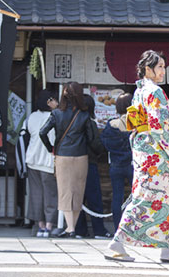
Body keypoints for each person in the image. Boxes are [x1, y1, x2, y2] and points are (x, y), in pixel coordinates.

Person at [106, 50, 169, 263]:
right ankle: (117, 243)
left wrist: (167, 134)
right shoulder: (156, 92)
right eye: (159, 66)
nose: (163, 71)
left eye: (163, 66)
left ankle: (167, 248)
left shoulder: (140, 91)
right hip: (154, 153)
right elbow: (159, 125)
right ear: (148, 69)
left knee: (158, 198)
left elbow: (148, 124)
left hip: (144, 148)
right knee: (147, 197)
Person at [39, 81, 94, 238]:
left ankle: (70, 228)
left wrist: (51, 149)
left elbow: (42, 132)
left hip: (62, 155)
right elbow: (90, 137)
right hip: (81, 156)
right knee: (78, 191)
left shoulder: (56, 113)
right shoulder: (84, 115)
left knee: (65, 191)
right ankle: (71, 227)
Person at [75, 94, 112, 239]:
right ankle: (99, 230)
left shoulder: (72, 121)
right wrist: (102, 149)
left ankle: (80, 230)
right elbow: (95, 144)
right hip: (88, 163)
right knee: (94, 197)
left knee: (78, 198)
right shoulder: (89, 122)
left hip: (74, 163)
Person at [23, 89, 58, 238]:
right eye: (55, 100)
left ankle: (40, 226)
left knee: (36, 194)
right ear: (49, 101)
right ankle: (50, 225)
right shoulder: (54, 116)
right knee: (50, 194)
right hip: (48, 160)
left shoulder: (32, 117)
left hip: (32, 160)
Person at [100, 93, 134, 230]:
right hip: (133, 165)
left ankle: (117, 228)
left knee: (117, 197)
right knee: (137, 197)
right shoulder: (137, 123)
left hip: (115, 165)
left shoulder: (111, 124)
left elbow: (104, 142)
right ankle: (134, 228)